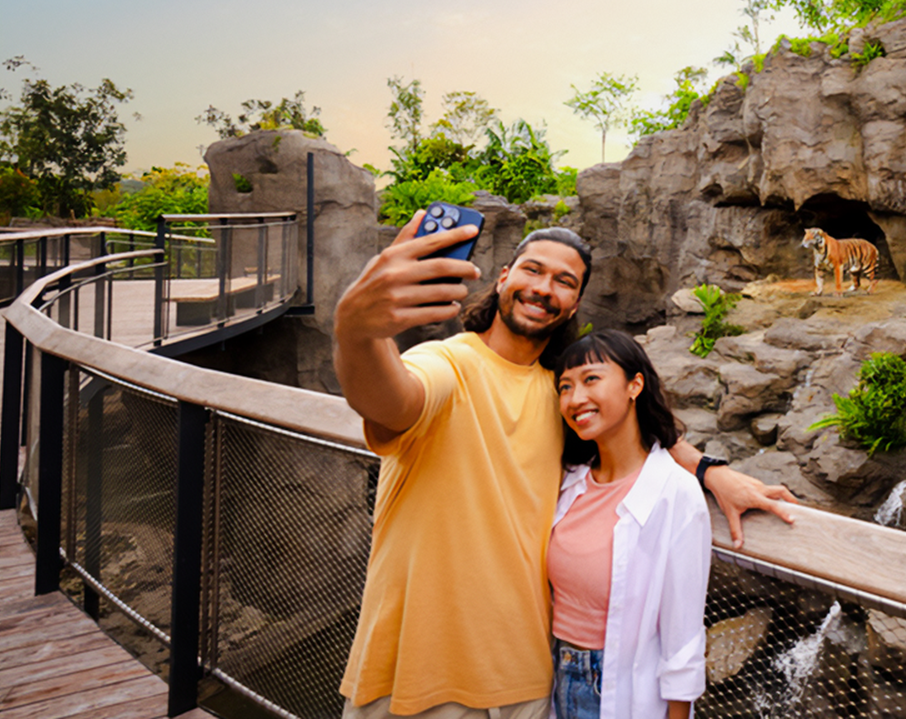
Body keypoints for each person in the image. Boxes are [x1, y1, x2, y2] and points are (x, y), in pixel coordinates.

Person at [334, 215, 796, 719]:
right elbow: (392, 400)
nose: (543, 288)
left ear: (574, 303)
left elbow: (632, 430)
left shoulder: (559, 394)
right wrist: (358, 333)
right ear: (504, 276)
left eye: (564, 281)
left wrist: (710, 471)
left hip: (527, 685)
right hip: (422, 681)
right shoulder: (448, 363)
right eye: (533, 271)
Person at [548, 329, 709, 719]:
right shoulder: (567, 480)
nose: (575, 399)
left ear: (635, 385)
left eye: (591, 380)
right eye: (565, 387)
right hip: (550, 675)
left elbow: (683, 635)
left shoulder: (676, 493)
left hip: (614, 687)